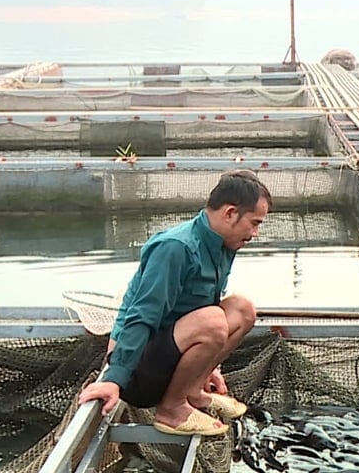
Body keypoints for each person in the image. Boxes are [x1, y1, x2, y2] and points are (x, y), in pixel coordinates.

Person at [78, 170, 271, 436]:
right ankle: (172, 409)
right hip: (137, 372)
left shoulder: (223, 245)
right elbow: (141, 316)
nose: (256, 233)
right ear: (229, 213)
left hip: (169, 355)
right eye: (254, 223)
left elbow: (203, 305)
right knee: (213, 320)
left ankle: (193, 391)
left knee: (242, 309)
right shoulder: (176, 247)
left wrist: (209, 367)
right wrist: (114, 380)